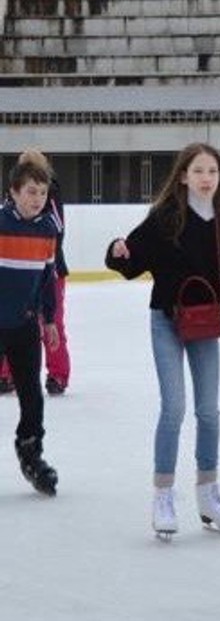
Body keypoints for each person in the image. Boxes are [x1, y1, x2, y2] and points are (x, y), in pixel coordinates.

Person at [104, 142, 220, 539]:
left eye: (213, 171)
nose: (207, 178)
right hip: (166, 322)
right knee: (173, 407)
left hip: (205, 325)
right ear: (183, 176)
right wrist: (118, 253)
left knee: (208, 411)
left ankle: (208, 493)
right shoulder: (165, 218)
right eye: (199, 171)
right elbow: (131, 259)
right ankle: (163, 495)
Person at [0, 159, 60, 495]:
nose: (37, 199)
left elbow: (48, 278)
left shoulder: (48, 228)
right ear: (13, 192)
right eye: (31, 192)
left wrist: (48, 318)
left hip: (24, 325)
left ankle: (30, 451)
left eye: (42, 193)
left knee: (32, 396)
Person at [0, 149, 70, 396]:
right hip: (16, 269)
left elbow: (58, 229)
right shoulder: (13, 196)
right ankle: (7, 373)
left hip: (48, 267)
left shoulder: (51, 192)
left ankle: (57, 374)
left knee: (52, 322)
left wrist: (42, 254)